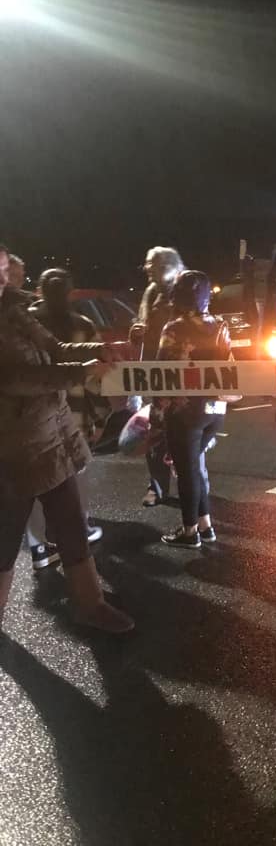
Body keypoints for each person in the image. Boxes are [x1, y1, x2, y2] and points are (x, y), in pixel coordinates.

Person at [0, 245, 133, 635]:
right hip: (12, 449)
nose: (5, 278)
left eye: (5, 270)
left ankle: (91, 605)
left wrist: (97, 350)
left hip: (50, 438)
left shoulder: (16, 311)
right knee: (5, 538)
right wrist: (80, 374)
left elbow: (55, 350)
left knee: (73, 527)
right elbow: (15, 378)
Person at [24, 268, 110, 569]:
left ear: (39, 290)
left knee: (36, 483)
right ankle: (77, 534)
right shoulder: (82, 325)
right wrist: (100, 416)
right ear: (70, 293)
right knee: (76, 474)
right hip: (73, 414)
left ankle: (39, 548)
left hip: (33, 415)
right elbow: (96, 379)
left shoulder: (26, 321)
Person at [152, 270, 231, 549]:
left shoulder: (173, 329)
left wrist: (156, 413)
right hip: (215, 410)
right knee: (195, 467)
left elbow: (161, 375)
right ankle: (206, 525)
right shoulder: (221, 325)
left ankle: (189, 532)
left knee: (186, 473)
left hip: (185, 412)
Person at [130, 246, 185, 507]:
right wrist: (136, 333)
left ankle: (190, 484)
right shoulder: (152, 292)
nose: (146, 268)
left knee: (185, 434)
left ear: (166, 266)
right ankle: (157, 487)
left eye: (151, 263)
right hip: (155, 375)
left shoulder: (186, 287)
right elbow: (141, 325)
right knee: (155, 432)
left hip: (184, 378)